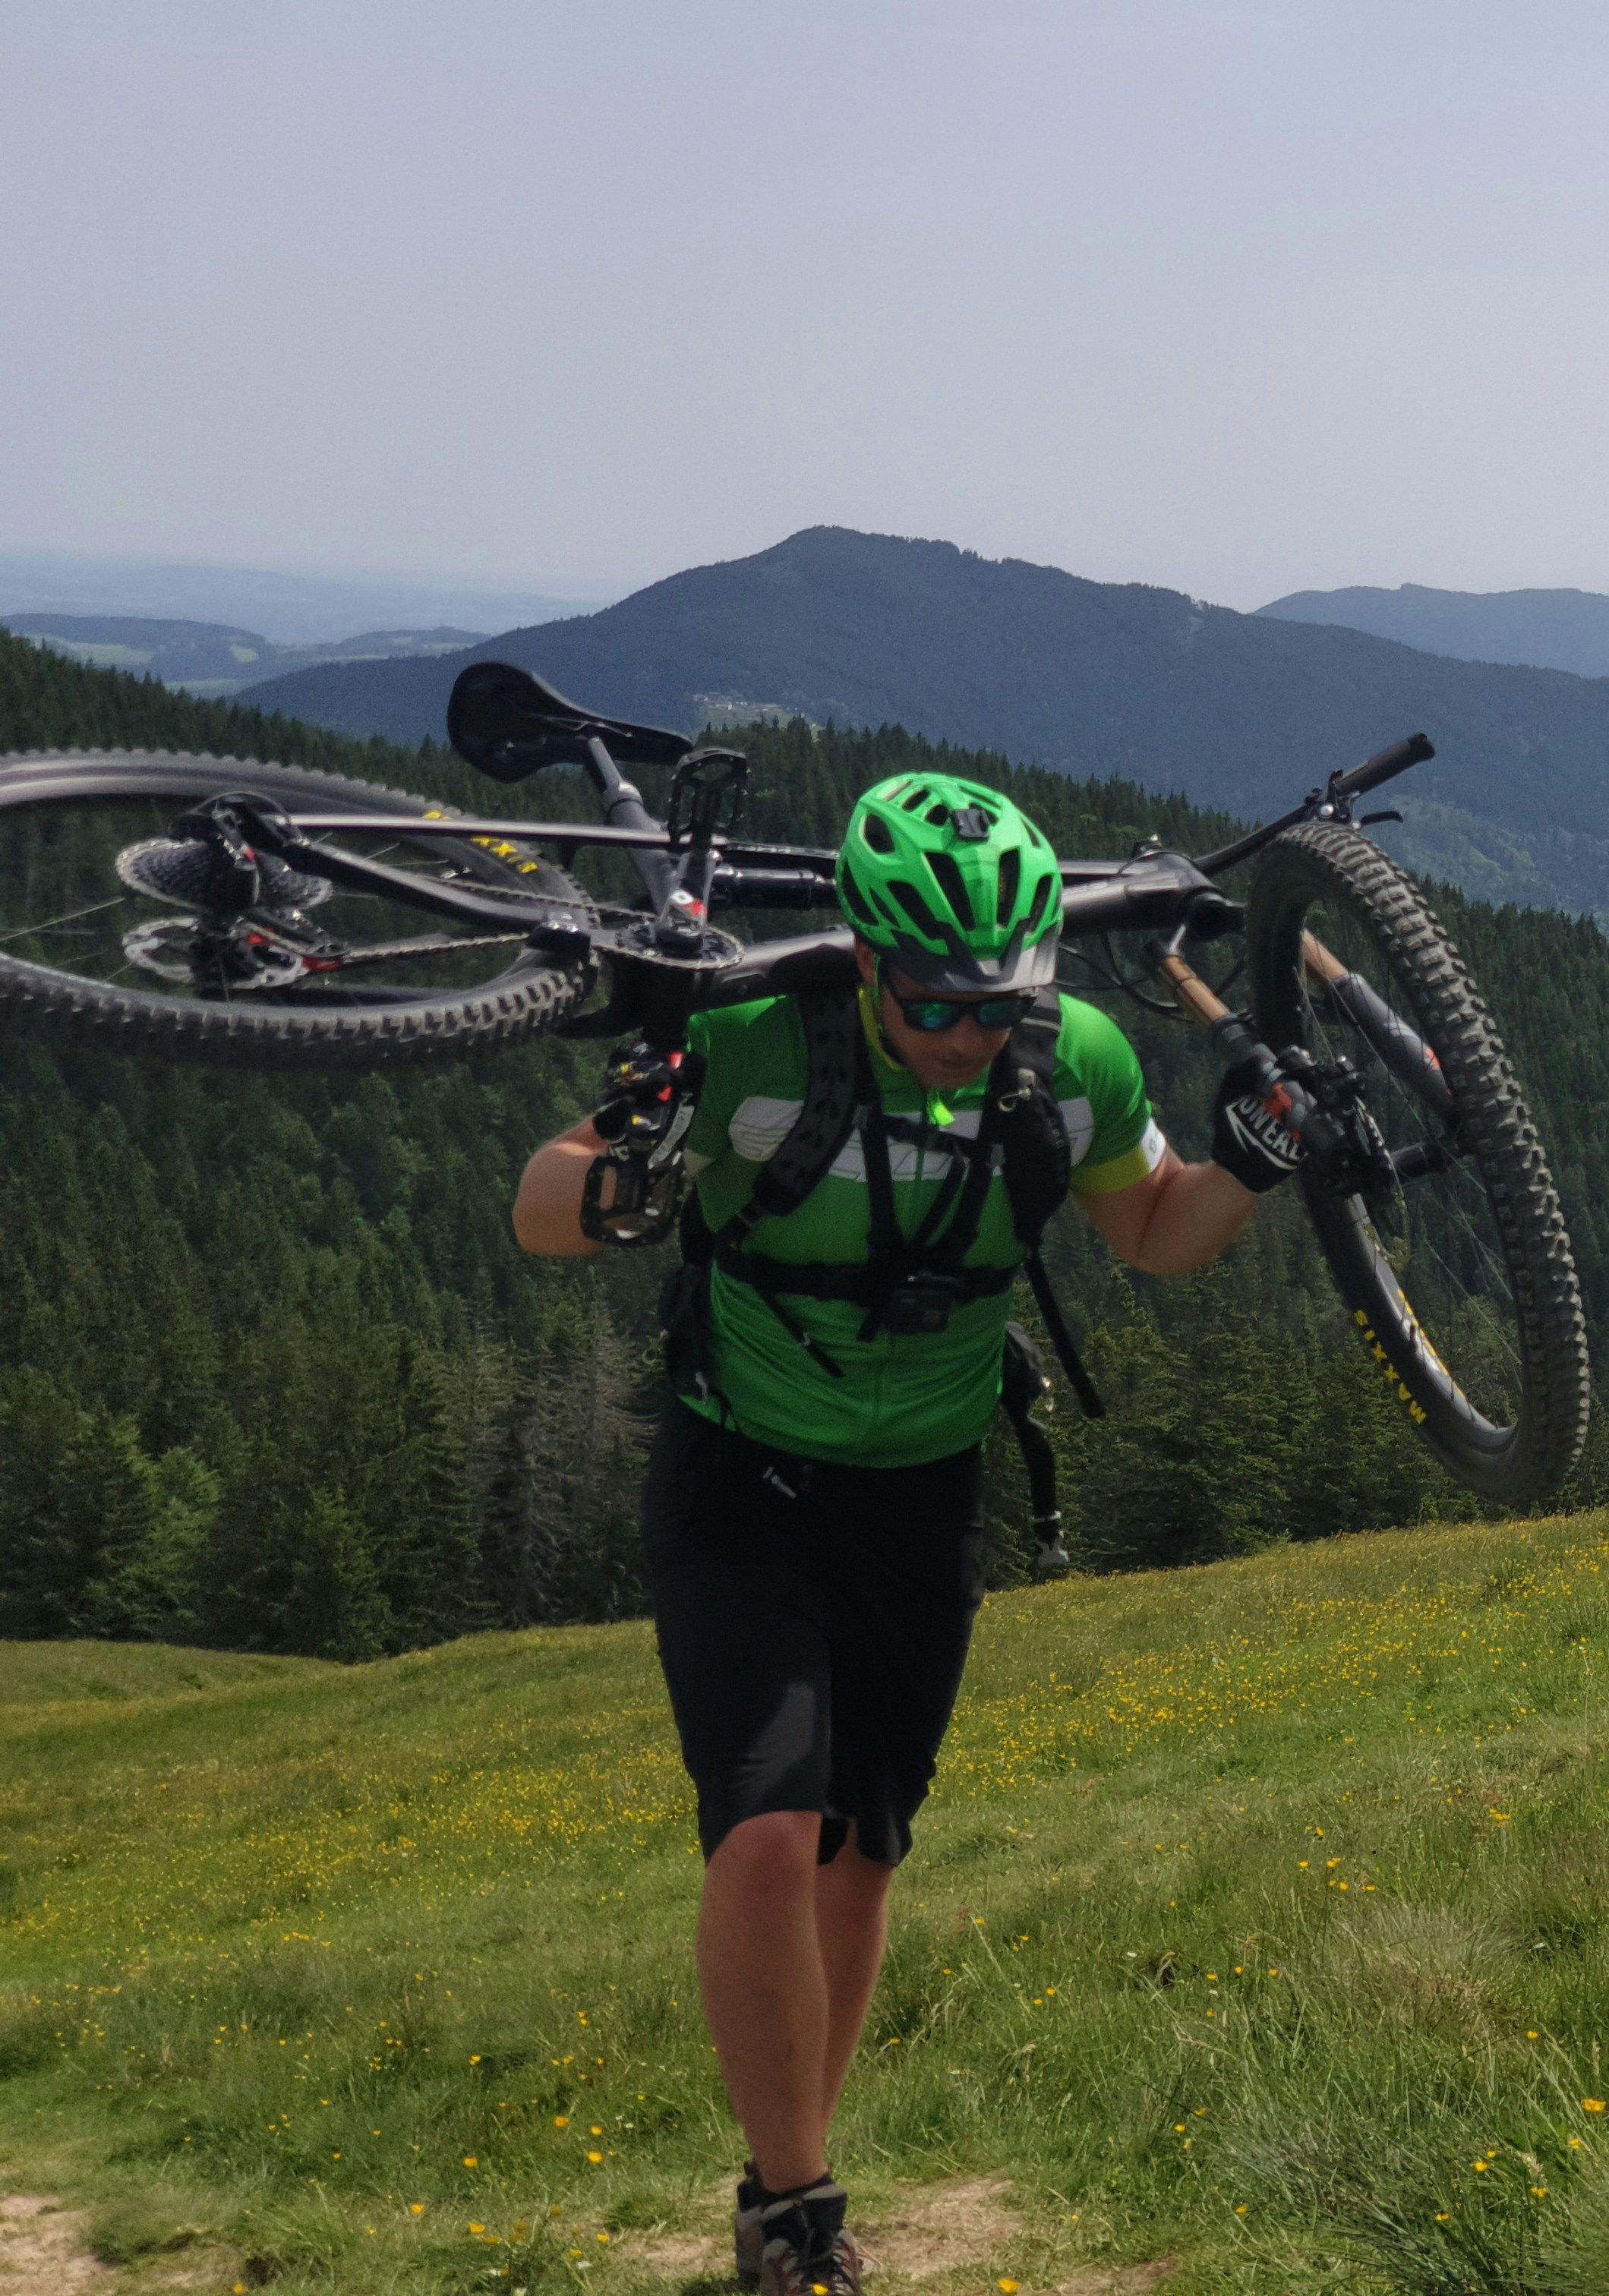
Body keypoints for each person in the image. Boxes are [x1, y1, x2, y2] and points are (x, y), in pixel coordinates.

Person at [513, 771, 1309, 2296]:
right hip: (740, 1473)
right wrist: (630, 1174)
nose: (964, 1034)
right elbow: (541, 1206)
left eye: (996, 1004)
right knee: (768, 1830)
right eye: (934, 1001)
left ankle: (792, 2176)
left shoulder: (1069, 1064)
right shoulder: (754, 1039)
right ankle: (795, 2214)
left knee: (863, 1850)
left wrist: (1256, 1167)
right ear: (866, 957)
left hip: (924, 1491)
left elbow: (1158, 1232)